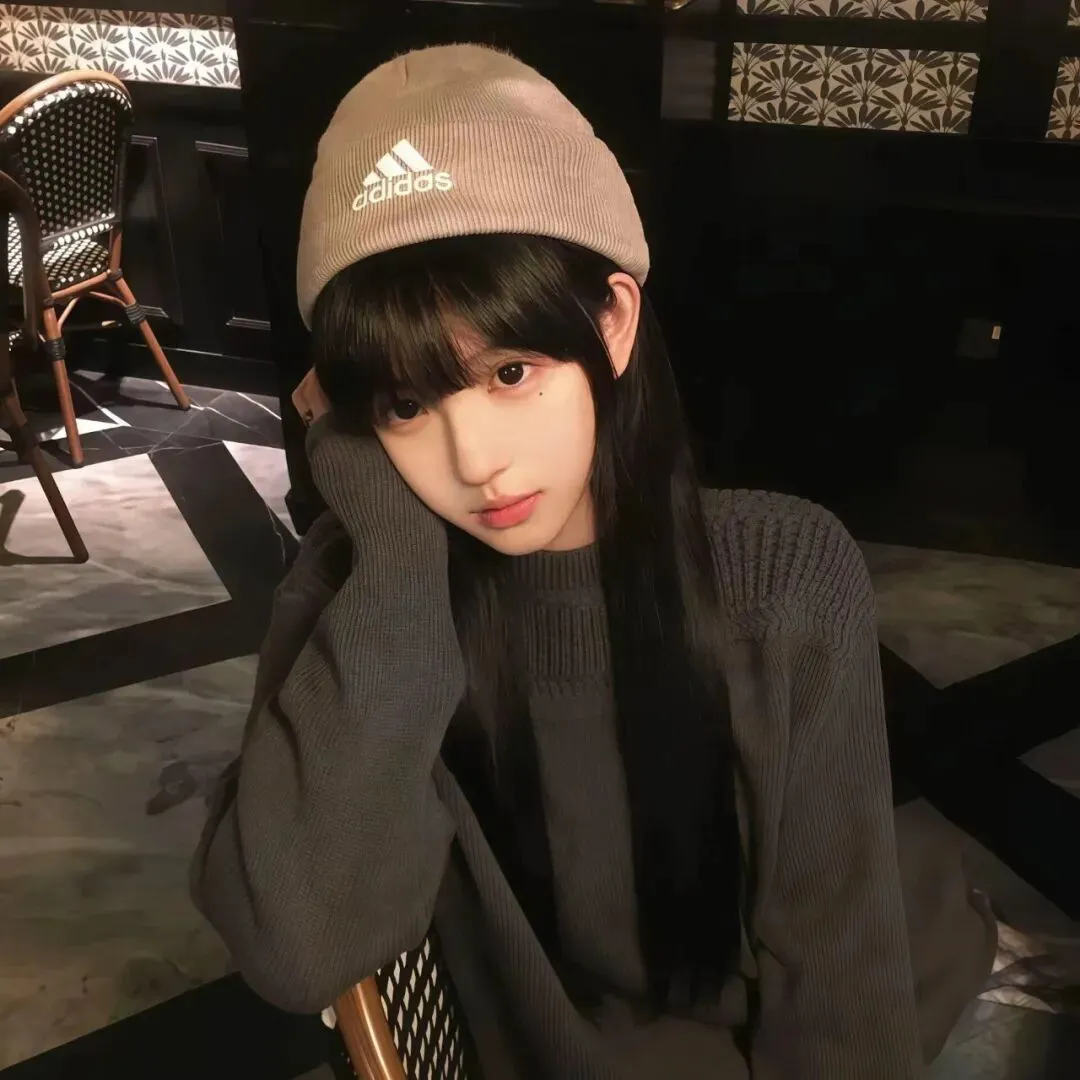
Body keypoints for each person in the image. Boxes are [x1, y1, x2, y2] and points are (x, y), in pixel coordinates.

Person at [191, 43, 997, 1079]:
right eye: (405, 402)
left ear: (612, 323)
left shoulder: (783, 577)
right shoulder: (362, 593)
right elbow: (298, 951)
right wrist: (388, 547)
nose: (474, 462)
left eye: (510, 372)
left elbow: (835, 979)